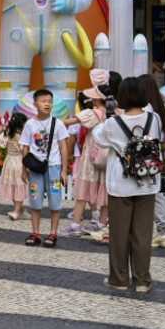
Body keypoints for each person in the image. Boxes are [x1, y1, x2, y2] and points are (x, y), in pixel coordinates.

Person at [93, 77, 162, 293]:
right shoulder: (154, 118)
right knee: (143, 234)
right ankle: (142, 280)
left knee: (120, 234)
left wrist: (110, 117)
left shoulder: (113, 124)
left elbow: (98, 137)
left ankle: (119, 279)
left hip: (121, 185)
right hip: (148, 183)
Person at [20, 88, 70, 248]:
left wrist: (64, 170)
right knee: (35, 201)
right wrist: (23, 169)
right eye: (43, 101)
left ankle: (53, 233)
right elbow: (25, 148)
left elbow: (64, 147)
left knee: (55, 202)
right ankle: (35, 233)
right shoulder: (29, 124)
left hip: (54, 168)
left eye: (49, 101)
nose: (47, 104)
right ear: (35, 103)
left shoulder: (58, 123)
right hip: (35, 169)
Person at [64, 84, 109, 239]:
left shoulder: (92, 112)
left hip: (91, 156)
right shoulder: (114, 113)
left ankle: (76, 224)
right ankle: (102, 224)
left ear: (97, 98)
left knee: (82, 191)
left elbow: (69, 122)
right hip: (107, 157)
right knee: (104, 189)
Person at [139, 74, 165, 249]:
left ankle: (143, 233)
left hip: (142, 157)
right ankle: (164, 232)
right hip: (156, 155)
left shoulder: (144, 109)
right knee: (157, 193)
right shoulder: (162, 108)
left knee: (142, 194)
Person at [0, 112, 29, 221]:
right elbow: (24, 152)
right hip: (19, 162)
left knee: (14, 186)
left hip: (9, 162)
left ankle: (20, 210)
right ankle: (17, 211)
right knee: (19, 186)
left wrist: (0, 128)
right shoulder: (21, 136)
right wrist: (27, 166)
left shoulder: (8, 133)